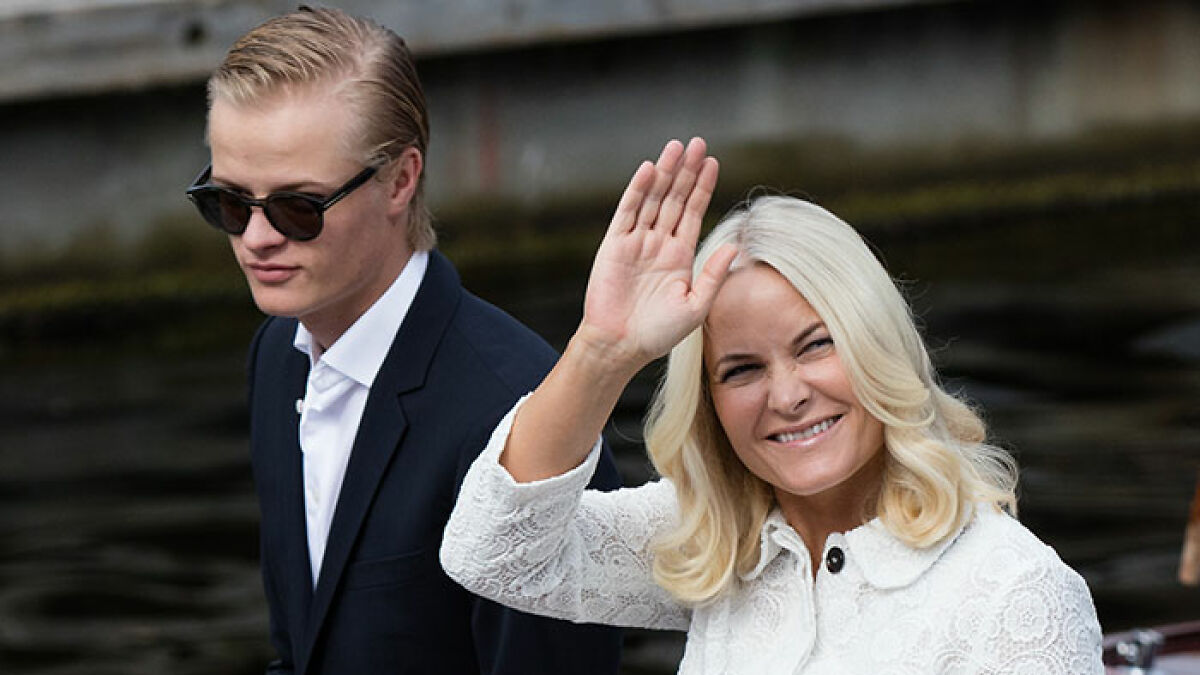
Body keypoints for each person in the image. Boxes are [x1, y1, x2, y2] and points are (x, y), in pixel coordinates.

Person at [441, 137, 1105, 673]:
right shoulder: (715, 537)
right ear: (711, 405)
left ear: (877, 346)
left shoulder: (1016, 591)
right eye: (742, 369)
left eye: (815, 346)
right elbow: (492, 552)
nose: (786, 395)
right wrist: (603, 351)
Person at [184, 7, 622, 674]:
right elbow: (298, 649)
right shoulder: (276, 358)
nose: (255, 238)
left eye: (298, 207)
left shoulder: (522, 413)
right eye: (230, 203)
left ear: (399, 179)